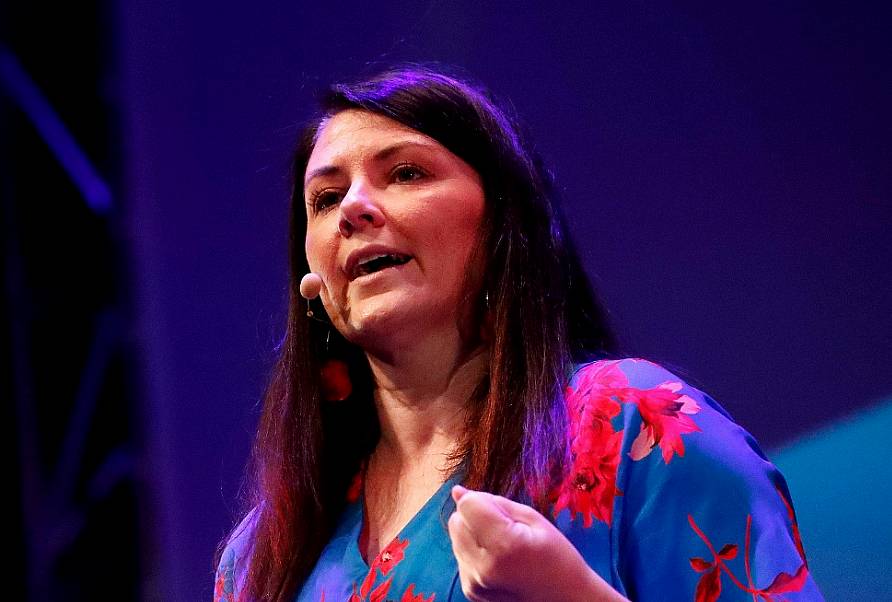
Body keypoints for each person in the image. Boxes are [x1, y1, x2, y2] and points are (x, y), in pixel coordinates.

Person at [214, 67, 821, 601]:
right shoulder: (260, 561)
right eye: (325, 198)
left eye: (404, 172)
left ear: (505, 221)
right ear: (311, 276)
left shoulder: (635, 429)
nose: (353, 208)